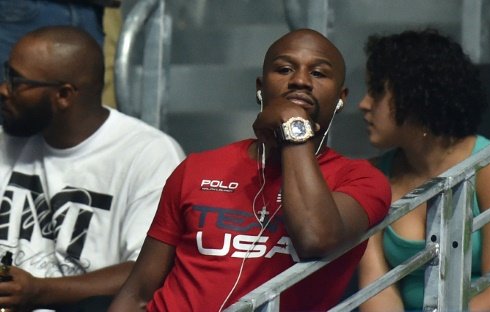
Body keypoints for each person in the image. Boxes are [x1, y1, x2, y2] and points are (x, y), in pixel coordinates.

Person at [108, 28, 391, 311]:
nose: (300, 81)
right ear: (260, 86)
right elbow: (137, 293)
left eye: (318, 73)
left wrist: (292, 126)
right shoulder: (198, 167)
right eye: (284, 69)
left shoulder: (362, 180)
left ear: (341, 97)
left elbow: (314, 237)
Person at [0, 25, 185, 310]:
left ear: (64, 95)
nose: (4, 89)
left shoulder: (149, 154)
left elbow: (149, 272)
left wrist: (39, 291)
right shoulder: (9, 138)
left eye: (16, 81)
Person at [357, 29, 490, 311]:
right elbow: (375, 287)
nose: (364, 104)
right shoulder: (374, 174)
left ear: (416, 96)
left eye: (377, 91)